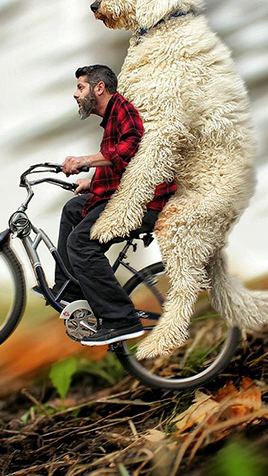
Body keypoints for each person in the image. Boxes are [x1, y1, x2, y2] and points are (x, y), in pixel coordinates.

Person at [34, 64, 176, 346]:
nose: (75, 94)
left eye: (80, 87)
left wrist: (85, 161)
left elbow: (131, 146)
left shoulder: (122, 108)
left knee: (82, 244)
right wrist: (92, 181)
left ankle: (121, 319)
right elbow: (119, 163)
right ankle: (71, 290)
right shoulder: (111, 118)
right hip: (126, 197)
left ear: (99, 88)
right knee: (73, 209)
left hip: (144, 204)